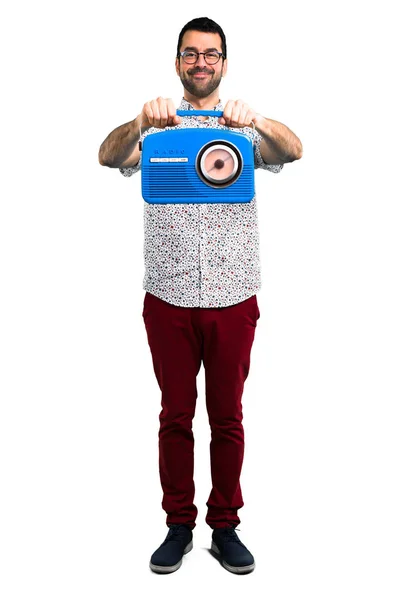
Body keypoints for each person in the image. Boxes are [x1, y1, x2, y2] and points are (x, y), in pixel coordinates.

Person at [98, 16, 302, 575]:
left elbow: (296, 149)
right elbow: (108, 156)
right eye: (191, 54)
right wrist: (139, 121)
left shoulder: (242, 131)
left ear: (224, 63)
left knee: (228, 418)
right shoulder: (156, 129)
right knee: (175, 416)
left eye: (211, 55)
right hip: (167, 295)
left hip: (234, 294)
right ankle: (178, 525)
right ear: (177, 62)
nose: (201, 63)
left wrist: (255, 117)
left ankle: (226, 527)